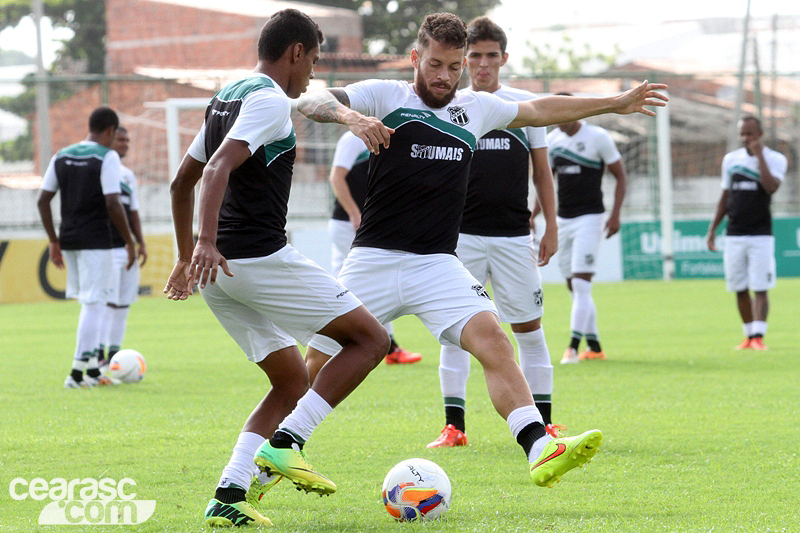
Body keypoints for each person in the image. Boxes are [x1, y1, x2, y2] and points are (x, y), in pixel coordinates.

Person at [294, 12, 666, 487]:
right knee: (317, 361)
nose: (444, 76)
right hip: (374, 260)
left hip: (436, 264)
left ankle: (539, 447)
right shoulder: (386, 97)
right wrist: (351, 116)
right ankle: (273, 454)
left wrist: (616, 102)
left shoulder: (476, 109)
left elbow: (540, 110)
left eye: (454, 67)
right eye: (434, 64)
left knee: (494, 340)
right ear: (415, 57)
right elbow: (312, 98)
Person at [163, 10, 391, 527]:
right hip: (256, 258)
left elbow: (182, 183)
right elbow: (218, 168)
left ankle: (229, 493)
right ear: (295, 53)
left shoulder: (229, 94)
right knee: (371, 340)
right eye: (312, 58)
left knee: (289, 382)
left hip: (220, 275)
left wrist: (188, 256)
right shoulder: (267, 100)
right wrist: (202, 242)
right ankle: (288, 443)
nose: (312, 70)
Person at [427, 17, 561, 449]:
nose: (482, 65)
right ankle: (454, 427)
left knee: (529, 331)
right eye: (475, 56)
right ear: (464, 61)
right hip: (459, 237)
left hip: (512, 237)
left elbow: (542, 172)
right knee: (456, 330)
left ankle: (545, 426)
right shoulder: (454, 106)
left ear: (504, 58)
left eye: (491, 56)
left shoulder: (525, 107)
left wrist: (551, 225)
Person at [36, 106, 136, 388]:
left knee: (92, 301)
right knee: (94, 303)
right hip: (98, 241)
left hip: (69, 239)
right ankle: (77, 373)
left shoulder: (62, 155)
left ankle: (92, 372)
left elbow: (43, 201)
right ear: (110, 131)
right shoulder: (107, 157)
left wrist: (54, 241)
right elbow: (113, 202)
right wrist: (129, 241)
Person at [541, 93, 627, 364]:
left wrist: (614, 215)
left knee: (580, 284)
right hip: (562, 220)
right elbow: (546, 181)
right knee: (574, 286)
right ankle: (596, 346)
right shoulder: (552, 141)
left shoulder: (598, 137)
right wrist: (533, 215)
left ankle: (573, 347)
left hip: (590, 218)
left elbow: (621, 176)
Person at [328, 130, 423, 364]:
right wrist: (353, 213)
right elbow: (336, 178)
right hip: (349, 224)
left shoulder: (387, 137)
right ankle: (328, 341)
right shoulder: (351, 139)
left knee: (370, 281)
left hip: (369, 223)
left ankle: (388, 346)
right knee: (347, 284)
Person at [706, 115, 786, 351]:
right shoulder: (731, 160)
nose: (746, 138)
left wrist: (759, 155)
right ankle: (749, 336)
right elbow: (725, 196)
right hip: (734, 234)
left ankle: (760, 336)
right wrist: (713, 229)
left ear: (760, 134)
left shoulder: (775, 159)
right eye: (742, 134)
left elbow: (771, 188)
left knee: (760, 286)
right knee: (739, 287)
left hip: (760, 233)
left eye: (750, 133)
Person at [98, 126, 148, 369]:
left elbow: (133, 211)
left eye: (127, 139)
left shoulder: (127, 174)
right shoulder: (99, 169)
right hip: (106, 247)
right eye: (120, 139)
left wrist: (141, 242)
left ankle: (112, 357)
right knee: (105, 303)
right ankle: (97, 357)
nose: (125, 143)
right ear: (108, 138)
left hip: (127, 248)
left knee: (122, 303)